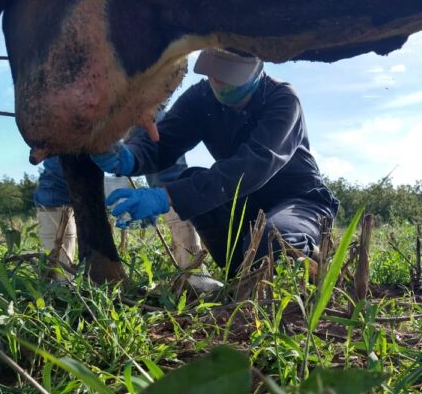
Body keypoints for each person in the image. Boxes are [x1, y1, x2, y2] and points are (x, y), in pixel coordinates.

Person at [92, 48, 339, 277]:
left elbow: (250, 166)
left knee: (274, 241)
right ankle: (239, 273)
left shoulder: (283, 101)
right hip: (242, 201)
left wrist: (165, 197)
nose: (218, 81)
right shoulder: (201, 98)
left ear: (256, 69)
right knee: (195, 189)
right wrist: (128, 156)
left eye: (228, 75)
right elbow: (163, 141)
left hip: (297, 200)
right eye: (214, 72)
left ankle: (308, 258)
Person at [33, 125, 203, 273]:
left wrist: (165, 197)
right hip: (73, 111)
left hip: (131, 99)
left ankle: (193, 269)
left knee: (162, 147)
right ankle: (59, 276)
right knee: (57, 174)